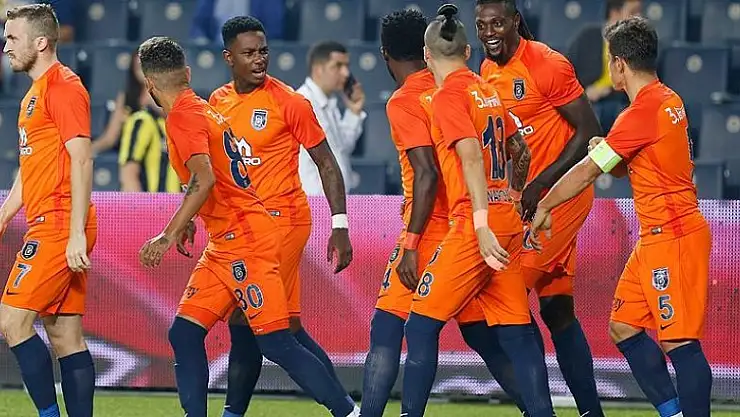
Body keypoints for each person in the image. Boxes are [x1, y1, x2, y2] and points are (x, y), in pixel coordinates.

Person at [135, 36, 359, 417]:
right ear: (187, 73)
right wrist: (191, 218)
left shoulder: (184, 117)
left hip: (248, 242)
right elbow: (213, 176)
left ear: (150, 84)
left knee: (277, 342)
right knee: (185, 333)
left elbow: (204, 178)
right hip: (226, 241)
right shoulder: (206, 107)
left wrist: (167, 233)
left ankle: (348, 412)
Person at [531, 16, 712, 417]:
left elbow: (588, 172)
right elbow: (623, 164)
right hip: (655, 238)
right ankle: (674, 412)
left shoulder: (640, 112)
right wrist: (606, 146)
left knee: (679, 342)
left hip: (674, 237)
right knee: (624, 326)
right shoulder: (667, 99)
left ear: (619, 63)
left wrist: (545, 204)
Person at [361, 9, 528, 416]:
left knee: (388, 329)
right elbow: (516, 148)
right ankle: (535, 407)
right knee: (482, 336)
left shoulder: (406, 100)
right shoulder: (466, 85)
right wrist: (514, 199)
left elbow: (427, 174)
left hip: (436, 229)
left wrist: (412, 243)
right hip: (475, 222)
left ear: (385, 54)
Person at [400, 5, 553, 417]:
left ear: (427, 56)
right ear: (468, 52)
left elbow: (469, 155)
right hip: (506, 220)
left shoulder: (447, 96)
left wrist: (481, 224)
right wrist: (514, 199)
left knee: (420, 325)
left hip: (474, 226)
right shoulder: (488, 91)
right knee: (517, 333)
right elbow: (521, 150)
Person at [208, 16, 355, 417]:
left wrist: (339, 225)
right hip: (243, 227)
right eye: (249, 53)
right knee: (280, 327)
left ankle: (342, 410)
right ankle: (347, 408)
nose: (260, 60)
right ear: (229, 57)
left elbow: (326, 163)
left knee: (251, 320)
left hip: (282, 223)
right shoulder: (217, 101)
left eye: (264, 51)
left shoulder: (289, 102)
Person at [476, 2, 604, 415]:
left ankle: (537, 409)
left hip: (559, 199)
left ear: (515, 22)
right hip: (529, 204)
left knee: (504, 296)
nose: (489, 32)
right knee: (557, 310)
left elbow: (590, 130)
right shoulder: (486, 70)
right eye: (481, 25)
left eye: (497, 23)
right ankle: (590, 412)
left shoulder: (547, 64)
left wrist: (540, 183)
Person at [0, 4, 96, 417]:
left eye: (12, 38)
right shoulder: (34, 94)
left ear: (40, 42)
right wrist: (4, 216)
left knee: (12, 321)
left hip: (59, 224)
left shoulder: (64, 87)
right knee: (65, 335)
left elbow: (83, 158)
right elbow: (30, 168)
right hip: (52, 221)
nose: (6, 46)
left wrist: (75, 234)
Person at [297, 41, 366, 196]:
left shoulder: (329, 103)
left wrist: (354, 112)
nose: (346, 73)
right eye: (338, 66)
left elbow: (343, 148)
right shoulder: (301, 102)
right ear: (318, 69)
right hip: (313, 200)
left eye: (347, 66)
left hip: (334, 201)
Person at [568, 0, 642, 132]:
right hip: (587, 101)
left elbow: (639, 84)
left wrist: (606, 91)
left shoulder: (638, 44)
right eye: (633, 12)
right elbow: (566, 71)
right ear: (615, 13)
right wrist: (584, 93)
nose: (639, 17)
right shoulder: (587, 36)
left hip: (620, 103)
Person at [118, 52, 179, 193]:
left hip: (180, 204)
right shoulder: (141, 121)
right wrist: (138, 206)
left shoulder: (181, 126)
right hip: (154, 204)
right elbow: (128, 175)